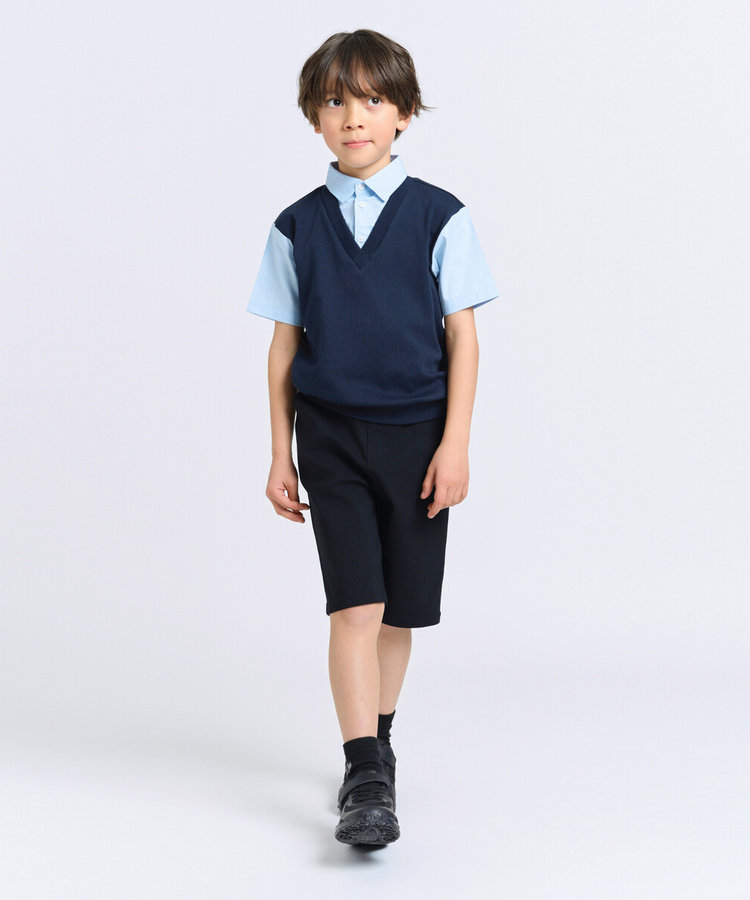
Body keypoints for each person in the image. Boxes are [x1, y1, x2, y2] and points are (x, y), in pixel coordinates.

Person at [246, 28, 500, 846]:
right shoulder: (296, 226)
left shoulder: (440, 216)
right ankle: (363, 772)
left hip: (419, 439)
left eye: (372, 100)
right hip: (330, 438)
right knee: (355, 603)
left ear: (403, 114)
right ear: (315, 117)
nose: (353, 116)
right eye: (334, 101)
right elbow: (283, 346)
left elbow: (463, 338)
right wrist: (280, 452)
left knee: (399, 612)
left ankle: (379, 744)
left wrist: (455, 443)